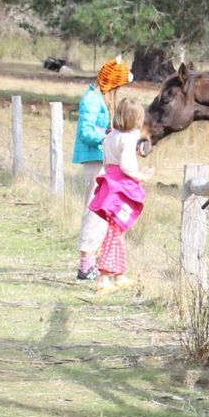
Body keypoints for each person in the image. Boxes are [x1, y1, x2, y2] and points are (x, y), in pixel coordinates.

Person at [73, 56, 133, 280]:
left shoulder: (98, 99)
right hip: (93, 160)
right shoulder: (91, 100)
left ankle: (96, 260)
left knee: (102, 210)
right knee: (93, 208)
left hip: (102, 160)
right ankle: (86, 262)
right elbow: (86, 132)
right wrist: (107, 137)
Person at [88, 97, 153, 293]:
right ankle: (103, 277)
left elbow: (110, 161)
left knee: (117, 230)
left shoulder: (110, 136)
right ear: (136, 119)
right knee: (114, 232)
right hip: (122, 188)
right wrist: (140, 176)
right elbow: (126, 165)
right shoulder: (129, 138)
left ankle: (119, 274)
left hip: (111, 183)